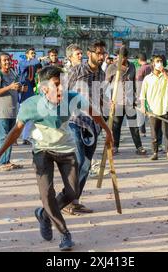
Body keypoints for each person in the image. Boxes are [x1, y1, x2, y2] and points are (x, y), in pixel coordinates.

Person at [0, 66, 113, 251]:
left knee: (73, 192)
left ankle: (44, 214)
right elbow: (15, 132)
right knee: (47, 194)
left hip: (66, 149)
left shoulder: (73, 98)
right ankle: (64, 233)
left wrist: (108, 131)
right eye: (57, 85)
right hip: (42, 150)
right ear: (44, 88)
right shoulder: (31, 106)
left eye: (63, 84)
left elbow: (93, 112)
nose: (62, 89)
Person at [65, 40, 109, 215]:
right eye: (98, 53)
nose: (101, 56)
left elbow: (100, 97)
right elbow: (62, 93)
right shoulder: (75, 71)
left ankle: (74, 200)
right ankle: (67, 198)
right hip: (74, 121)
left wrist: (107, 103)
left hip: (92, 123)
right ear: (89, 53)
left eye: (103, 53)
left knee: (87, 164)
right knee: (79, 160)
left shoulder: (102, 75)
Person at [105, 47, 146, 155]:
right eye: (117, 56)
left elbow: (133, 83)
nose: (118, 58)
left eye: (121, 56)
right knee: (116, 126)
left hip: (129, 101)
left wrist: (136, 98)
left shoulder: (132, 66)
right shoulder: (112, 67)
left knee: (133, 125)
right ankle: (115, 147)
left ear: (126, 57)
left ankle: (139, 147)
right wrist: (108, 99)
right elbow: (105, 85)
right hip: (117, 102)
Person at [0, 52, 23, 171]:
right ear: (0, 62)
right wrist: (9, 87)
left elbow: (16, 88)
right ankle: (2, 162)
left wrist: (20, 88)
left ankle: (6, 160)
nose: (7, 62)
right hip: (2, 112)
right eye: (4, 60)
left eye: (8, 60)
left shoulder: (13, 73)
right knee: (3, 137)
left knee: (10, 138)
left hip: (13, 111)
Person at [139, 55, 168, 161]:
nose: (159, 63)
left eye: (161, 61)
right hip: (153, 111)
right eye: (157, 61)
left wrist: (164, 72)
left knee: (167, 133)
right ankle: (155, 153)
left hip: (165, 109)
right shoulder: (147, 78)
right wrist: (142, 107)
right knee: (154, 134)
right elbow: (143, 94)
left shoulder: (166, 75)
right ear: (153, 64)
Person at [17, 48, 42, 145]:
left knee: (32, 114)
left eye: (34, 53)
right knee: (21, 114)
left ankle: (26, 137)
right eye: (31, 53)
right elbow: (29, 65)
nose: (33, 55)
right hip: (24, 89)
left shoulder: (35, 64)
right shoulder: (23, 63)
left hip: (32, 89)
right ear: (26, 54)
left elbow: (40, 72)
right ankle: (15, 136)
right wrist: (37, 60)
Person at [135, 53, 151, 137]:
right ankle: (153, 131)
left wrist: (137, 96)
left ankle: (142, 131)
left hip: (142, 94)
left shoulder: (141, 69)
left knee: (141, 113)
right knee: (151, 114)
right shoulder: (151, 67)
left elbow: (139, 85)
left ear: (139, 60)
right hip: (151, 94)